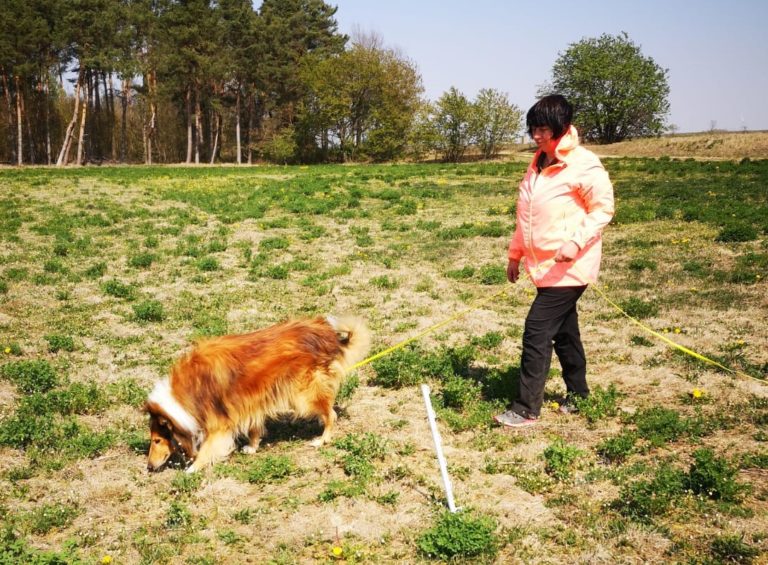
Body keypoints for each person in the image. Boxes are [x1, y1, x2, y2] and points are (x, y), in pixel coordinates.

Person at [494, 94, 614, 428]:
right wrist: (515, 255)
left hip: (571, 266)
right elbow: (526, 216)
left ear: (561, 127)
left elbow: (602, 208)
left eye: (543, 129)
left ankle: (525, 408)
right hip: (543, 267)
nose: (537, 135)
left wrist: (575, 243)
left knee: (537, 329)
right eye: (533, 128)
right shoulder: (537, 164)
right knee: (565, 334)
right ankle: (579, 395)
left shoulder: (584, 164)